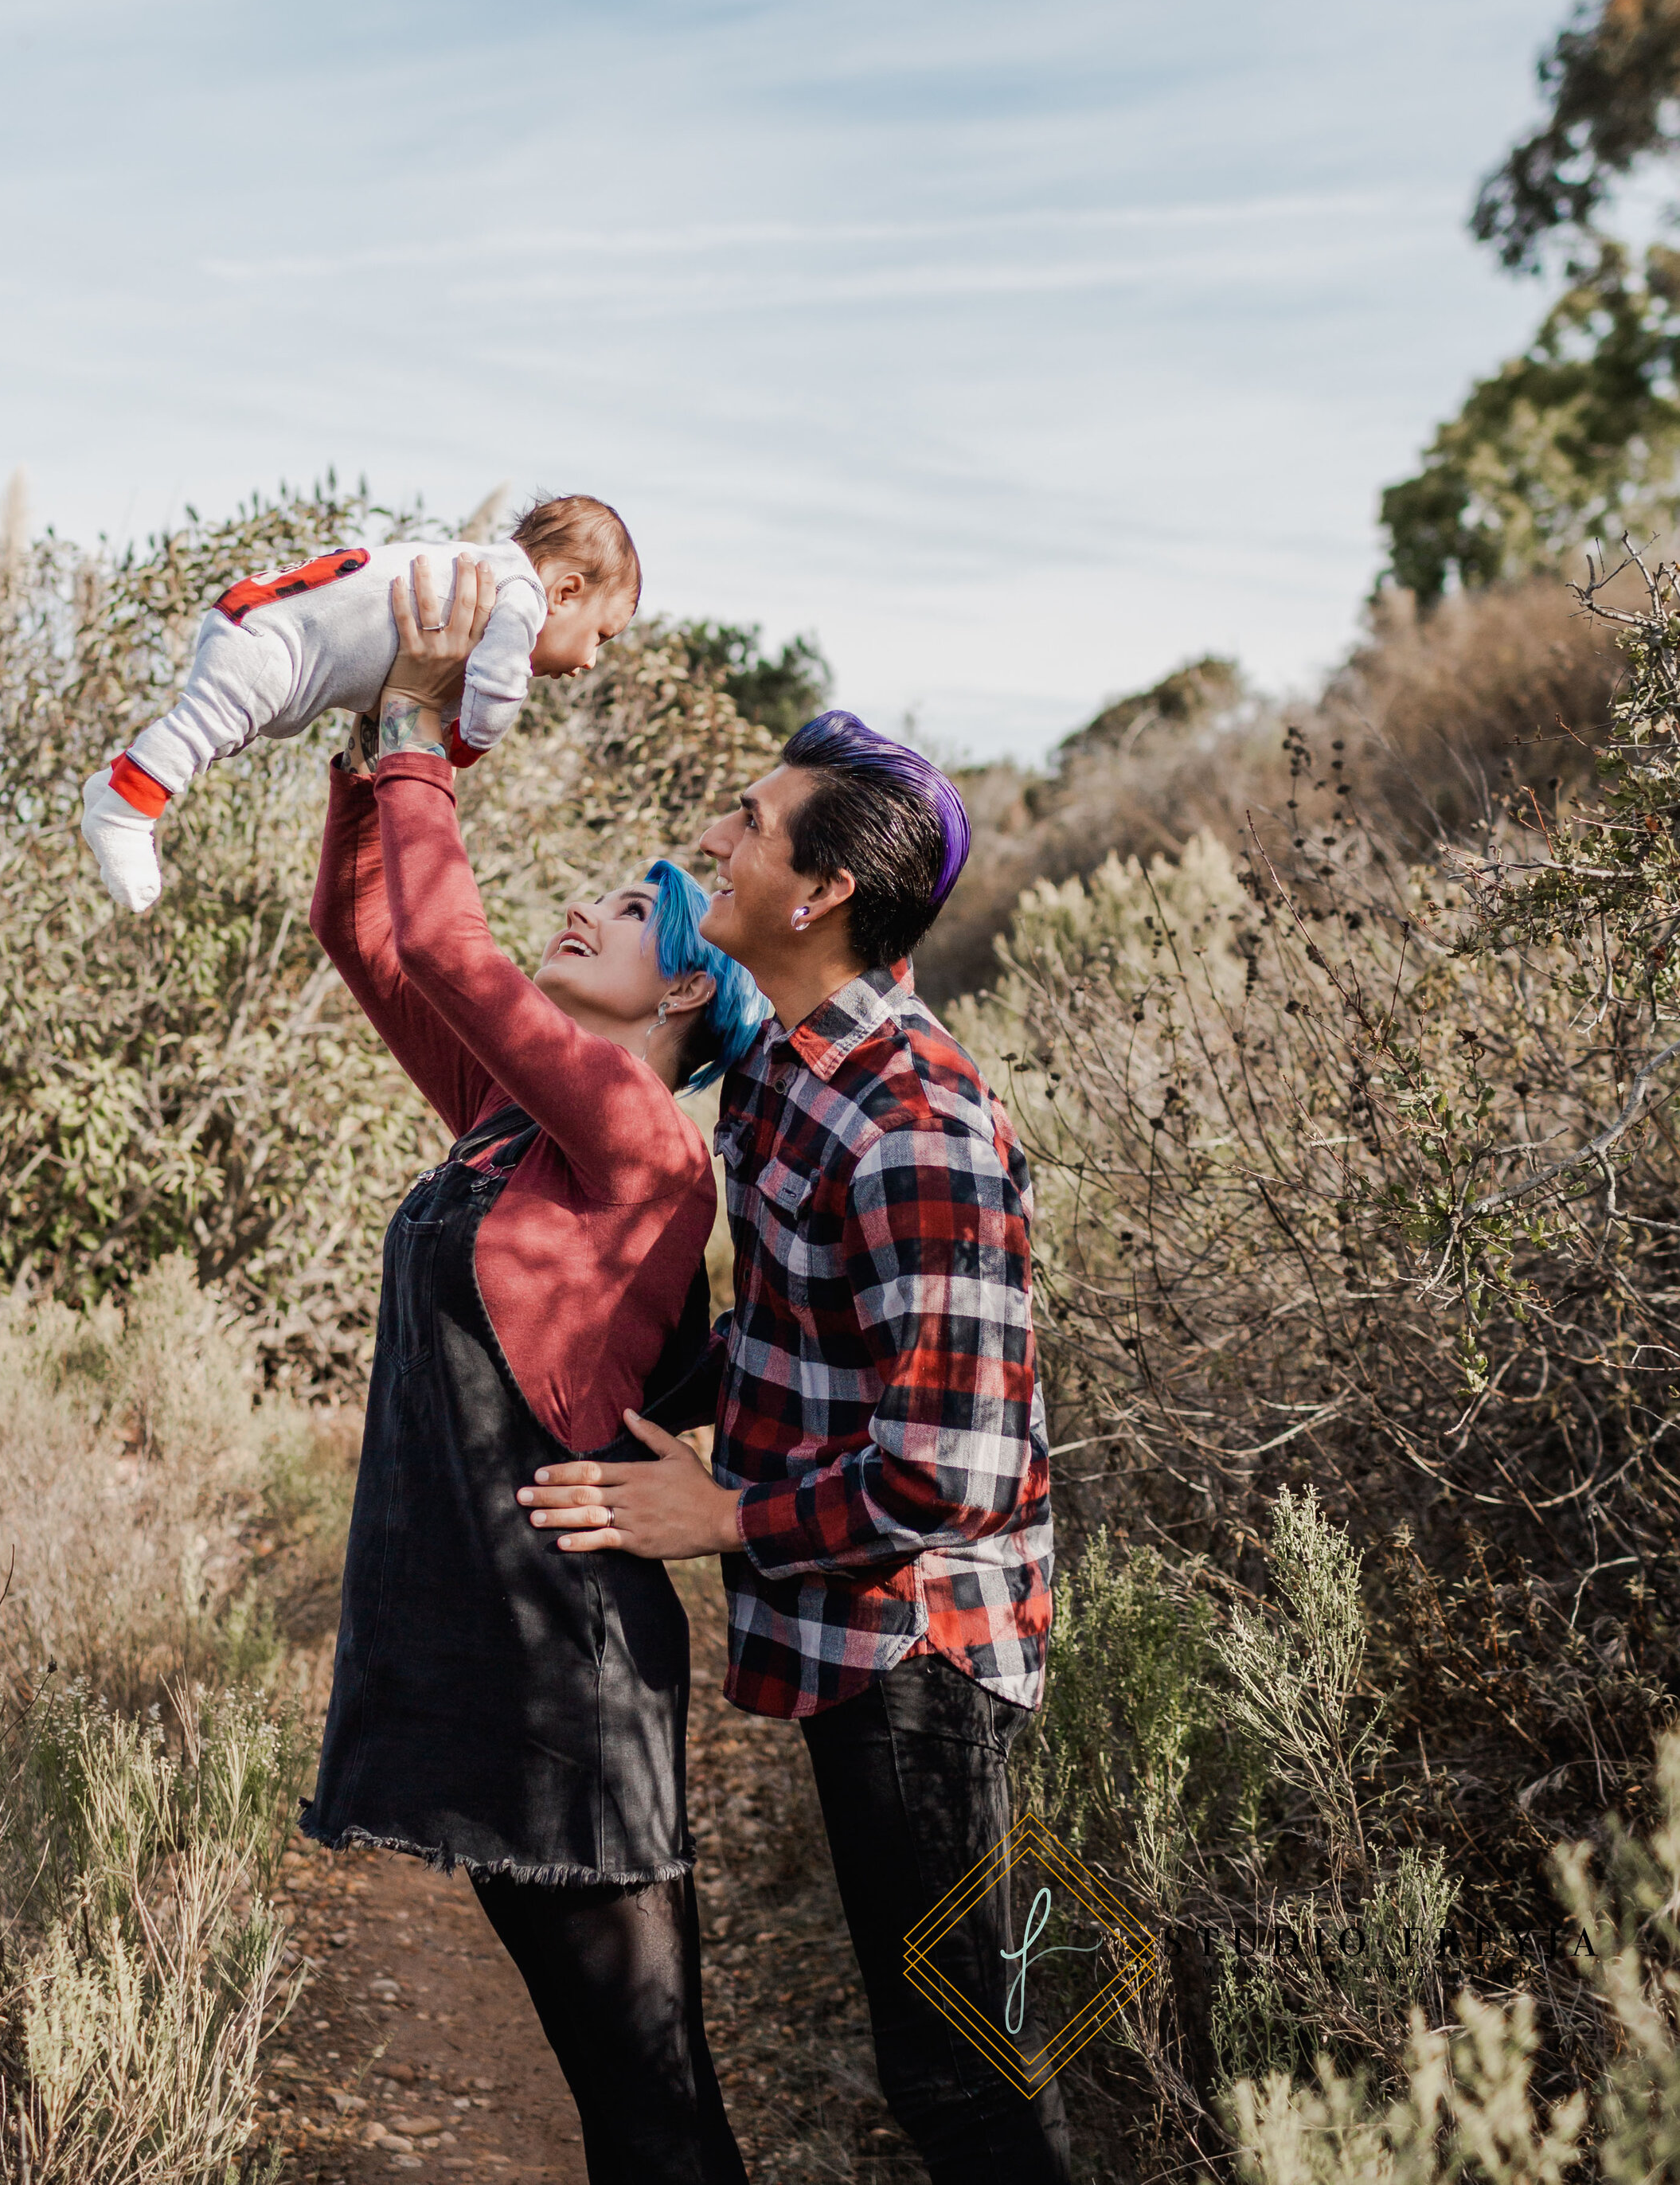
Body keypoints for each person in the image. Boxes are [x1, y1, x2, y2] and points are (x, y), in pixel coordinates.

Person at [518, 712, 1064, 2185]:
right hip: (858, 1638)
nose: (718, 843)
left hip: (926, 1655)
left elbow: (958, 1470)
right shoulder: (778, 1079)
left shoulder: (917, 1120)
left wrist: (721, 1517)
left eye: (751, 827)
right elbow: (793, 1334)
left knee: (966, 2070)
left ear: (819, 892)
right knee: (955, 2051)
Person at [300, 555, 766, 2185]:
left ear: (690, 992)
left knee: (652, 2113)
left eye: (630, 912)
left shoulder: (639, 1133)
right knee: (620, 2108)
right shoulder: (517, 1125)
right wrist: (375, 746)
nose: (582, 908)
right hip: (483, 1659)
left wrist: (435, 727)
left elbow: (450, 934)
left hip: (564, 1673)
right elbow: (371, 933)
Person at [80, 493, 638, 910]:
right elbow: (496, 685)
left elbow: (436, 688)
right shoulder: (516, 596)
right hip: (275, 634)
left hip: (266, 621)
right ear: (565, 592)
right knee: (206, 727)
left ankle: (114, 782)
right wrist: (470, 743)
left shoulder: (478, 574)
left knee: (219, 733)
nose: (590, 660)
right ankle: (125, 810)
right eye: (601, 636)